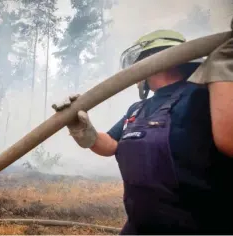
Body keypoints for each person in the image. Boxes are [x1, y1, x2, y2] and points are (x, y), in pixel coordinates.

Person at [52, 29, 233, 234]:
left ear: (156, 60)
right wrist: (84, 130)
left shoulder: (201, 95)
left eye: (139, 62)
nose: (136, 73)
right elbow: (111, 144)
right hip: (140, 226)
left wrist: (224, 72)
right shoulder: (138, 109)